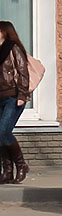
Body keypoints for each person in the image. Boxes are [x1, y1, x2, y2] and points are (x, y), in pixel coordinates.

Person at [0, 20, 30, 184]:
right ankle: (8, 171)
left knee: (3, 132)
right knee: (0, 134)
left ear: (5, 31)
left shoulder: (13, 48)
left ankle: (21, 165)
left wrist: (22, 95)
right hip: (0, 97)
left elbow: (23, 72)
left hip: (13, 96)